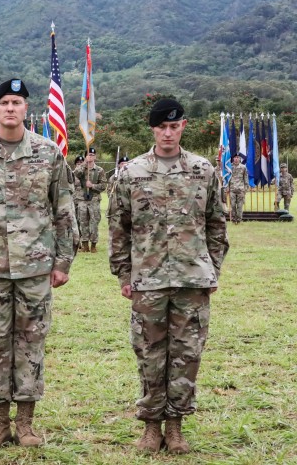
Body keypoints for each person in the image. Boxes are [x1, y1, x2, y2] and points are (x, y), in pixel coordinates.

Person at [0, 79, 75, 452]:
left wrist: (64, 260)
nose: (10, 109)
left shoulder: (48, 152)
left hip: (36, 266)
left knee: (32, 341)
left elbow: (63, 210)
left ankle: (26, 423)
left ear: (26, 109)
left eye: (17, 102)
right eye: (4, 102)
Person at [107, 98, 229, 454]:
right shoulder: (131, 173)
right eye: (162, 126)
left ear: (183, 127)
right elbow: (118, 228)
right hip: (148, 279)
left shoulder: (202, 170)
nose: (168, 132)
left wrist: (212, 269)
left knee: (187, 354)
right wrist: (123, 274)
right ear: (153, 129)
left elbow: (216, 224)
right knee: (149, 353)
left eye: (174, 126)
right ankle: (150, 426)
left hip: (193, 279)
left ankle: (175, 426)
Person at [73, 147, 107, 253]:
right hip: (82, 199)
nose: (90, 157)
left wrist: (92, 185)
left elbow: (103, 185)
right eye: (88, 155)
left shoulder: (99, 170)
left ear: (95, 157)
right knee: (83, 222)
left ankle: (93, 244)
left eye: (92, 155)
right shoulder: (82, 169)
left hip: (94, 199)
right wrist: (84, 163)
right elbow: (76, 173)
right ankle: (84, 244)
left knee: (94, 222)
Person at [227, 154, 248, 224]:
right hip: (232, 189)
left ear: (239, 159)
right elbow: (227, 179)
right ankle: (233, 219)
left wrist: (245, 189)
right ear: (233, 159)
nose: (236, 159)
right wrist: (227, 188)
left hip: (240, 189)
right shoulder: (229, 167)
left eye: (237, 157)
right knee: (232, 205)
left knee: (239, 206)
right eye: (235, 157)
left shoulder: (243, 167)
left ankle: (239, 219)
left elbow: (245, 179)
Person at [72, 155, 85, 251]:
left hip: (83, 200)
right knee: (74, 221)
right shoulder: (71, 174)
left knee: (82, 221)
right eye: (78, 163)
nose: (79, 165)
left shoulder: (86, 174)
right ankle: (77, 241)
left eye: (81, 163)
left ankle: (83, 241)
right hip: (73, 201)